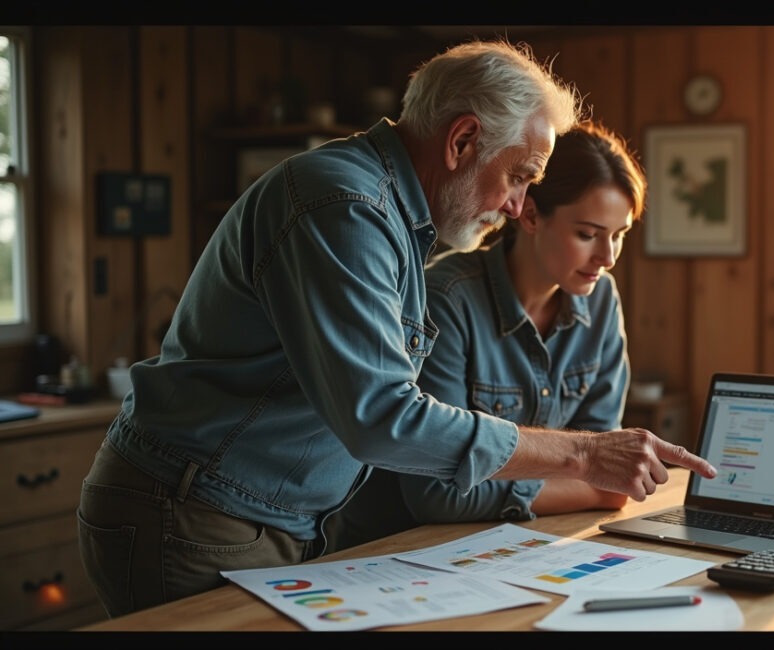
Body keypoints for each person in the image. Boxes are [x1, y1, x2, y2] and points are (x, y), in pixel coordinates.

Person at [75, 39, 715, 619]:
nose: (520, 205)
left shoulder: (393, 217)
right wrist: (584, 453)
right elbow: (382, 416)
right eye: (520, 177)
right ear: (462, 141)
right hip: (195, 512)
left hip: (259, 515)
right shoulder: (344, 207)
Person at [330, 121, 645, 549]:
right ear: (531, 214)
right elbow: (436, 495)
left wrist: (596, 479)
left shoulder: (600, 297)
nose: (606, 257)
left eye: (619, 236)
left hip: (520, 546)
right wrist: (588, 483)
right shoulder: (446, 300)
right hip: (406, 552)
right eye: (587, 234)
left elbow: (608, 469)